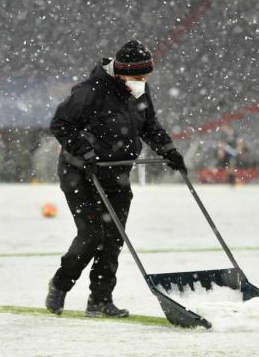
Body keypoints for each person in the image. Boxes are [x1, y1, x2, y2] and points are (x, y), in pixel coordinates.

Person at [45, 40, 185, 318]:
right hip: (81, 173)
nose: (142, 82)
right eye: (137, 77)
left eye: (146, 77)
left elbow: (150, 126)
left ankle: (100, 299)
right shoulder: (90, 92)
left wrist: (169, 151)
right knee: (92, 235)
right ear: (121, 72)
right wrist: (84, 150)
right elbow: (60, 124)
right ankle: (60, 284)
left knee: (113, 238)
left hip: (116, 173)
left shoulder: (139, 92)